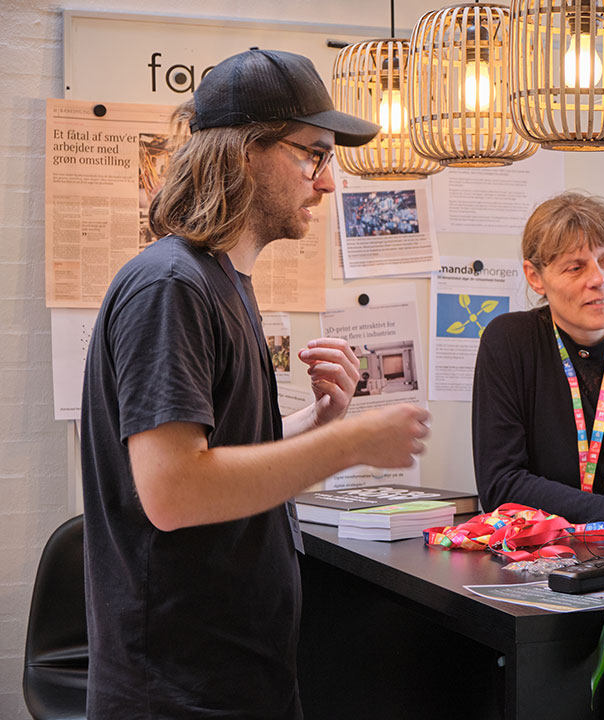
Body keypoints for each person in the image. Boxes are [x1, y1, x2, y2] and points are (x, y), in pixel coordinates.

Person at [81, 49, 430, 719]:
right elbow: (174, 490)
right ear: (246, 153)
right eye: (314, 154)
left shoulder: (220, 283)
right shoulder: (170, 287)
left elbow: (223, 455)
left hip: (239, 678)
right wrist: (349, 445)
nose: (326, 183)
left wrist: (320, 423)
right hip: (176, 696)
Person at [472, 192, 604, 540]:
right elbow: (500, 483)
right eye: (576, 267)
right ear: (535, 277)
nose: (599, 279)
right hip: (539, 557)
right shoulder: (509, 342)